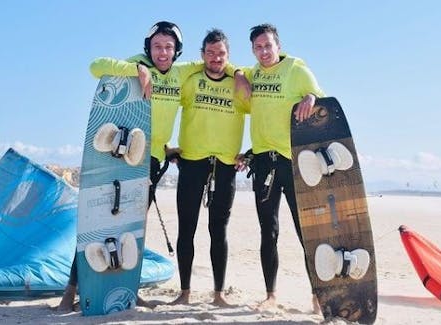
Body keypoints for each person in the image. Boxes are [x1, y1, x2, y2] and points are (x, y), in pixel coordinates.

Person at [58, 21, 201, 312]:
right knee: (98, 223)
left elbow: (215, 59)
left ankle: (128, 291)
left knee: (134, 228)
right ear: (148, 48)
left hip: (151, 160)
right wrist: (137, 70)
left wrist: (237, 73)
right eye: (157, 46)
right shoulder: (136, 63)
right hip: (122, 159)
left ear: (177, 51)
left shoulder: (180, 73)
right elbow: (96, 66)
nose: (163, 52)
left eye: (169, 47)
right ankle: (69, 293)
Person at [235, 23, 325, 312]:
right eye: (258, 47)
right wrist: (239, 76)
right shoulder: (254, 73)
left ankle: (317, 295)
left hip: (294, 161)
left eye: (268, 45)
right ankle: (271, 294)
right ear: (253, 50)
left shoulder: (296, 69)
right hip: (263, 161)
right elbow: (235, 70)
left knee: (306, 231)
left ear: (278, 46)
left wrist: (311, 97)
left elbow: (321, 102)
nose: (263, 51)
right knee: (268, 231)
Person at [171, 28, 248, 307]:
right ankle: (185, 292)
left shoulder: (239, 82)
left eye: (222, 53)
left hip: (225, 166)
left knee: (219, 230)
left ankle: (218, 294)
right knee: (186, 229)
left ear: (228, 56)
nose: (216, 58)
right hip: (192, 162)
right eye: (211, 53)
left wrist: (251, 154)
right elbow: (164, 103)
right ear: (202, 54)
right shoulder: (190, 81)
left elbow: (265, 111)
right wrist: (165, 146)